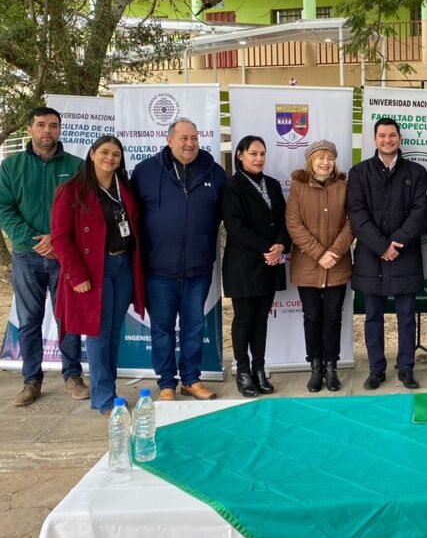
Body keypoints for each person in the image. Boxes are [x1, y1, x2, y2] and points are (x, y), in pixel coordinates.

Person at [0, 106, 86, 406]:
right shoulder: (11, 166)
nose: (48, 130)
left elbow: (85, 209)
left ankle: (73, 376)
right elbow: (4, 209)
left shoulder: (76, 166)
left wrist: (57, 240)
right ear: (30, 129)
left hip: (65, 258)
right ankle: (31, 380)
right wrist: (33, 241)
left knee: (67, 319)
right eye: (41, 125)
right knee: (29, 320)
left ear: (60, 130)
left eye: (54, 125)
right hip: (27, 256)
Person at [131, 118, 226, 401]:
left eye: (194, 138)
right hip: (159, 269)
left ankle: (192, 379)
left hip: (198, 269)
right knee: (162, 329)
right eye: (184, 138)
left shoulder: (215, 172)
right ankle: (167, 383)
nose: (190, 143)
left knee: (194, 327)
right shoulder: (146, 171)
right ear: (169, 140)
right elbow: (133, 217)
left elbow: (224, 213)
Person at [50, 136, 146, 415]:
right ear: (91, 154)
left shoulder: (124, 189)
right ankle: (103, 399)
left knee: (114, 333)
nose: (110, 158)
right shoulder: (70, 191)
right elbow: (60, 238)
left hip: (123, 267)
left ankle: (110, 391)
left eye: (116, 154)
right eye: (104, 152)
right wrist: (77, 274)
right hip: (94, 271)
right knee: (98, 335)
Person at [347, 118, 427, 390]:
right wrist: (382, 246)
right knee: (373, 317)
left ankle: (406, 368)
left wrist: (396, 243)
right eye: (381, 136)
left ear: (399, 139)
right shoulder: (358, 173)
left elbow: (421, 213)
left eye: (392, 135)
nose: (387, 140)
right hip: (372, 257)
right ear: (374, 140)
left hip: (405, 255)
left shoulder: (416, 173)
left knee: (406, 316)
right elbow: (356, 215)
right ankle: (376, 369)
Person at [222, 136, 291, 398]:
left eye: (262, 153)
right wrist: (268, 249)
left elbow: (284, 219)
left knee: (261, 319)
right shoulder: (232, 186)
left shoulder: (272, 185)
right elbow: (236, 227)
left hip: (270, 263)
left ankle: (259, 368)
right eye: (253, 153)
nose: (259, 158)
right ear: (240, 155)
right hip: (244, 265)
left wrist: (281, 246)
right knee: (243, 319)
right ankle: (242, 371)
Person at [287, 139, 353, 393]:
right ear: (310, 161)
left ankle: (331, 367)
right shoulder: (298, 187)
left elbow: (352, 222)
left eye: (330, 158)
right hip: (308, 265)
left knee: (333, 317)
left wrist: (334, 252)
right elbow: (294, 224)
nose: (325, 163)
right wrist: (319, 253)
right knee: (312, 317)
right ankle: (315, 367)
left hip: (337, 264)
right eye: (320, 158)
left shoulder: (344, 187)